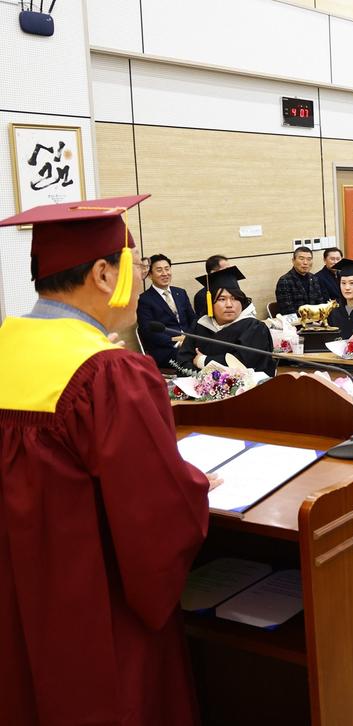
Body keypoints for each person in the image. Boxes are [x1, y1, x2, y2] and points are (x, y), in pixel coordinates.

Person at [0, 194, 211, 725]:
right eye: (135, 266)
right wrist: (195, 483)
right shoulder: (107, 373)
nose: (140, 278)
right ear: (102, 274)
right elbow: (155, 517)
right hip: (89, 608)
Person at [179, 266, 276, 375]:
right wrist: (202, 381)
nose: (229, 305)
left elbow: (242, 363)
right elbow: (182, 362)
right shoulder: (200, 325)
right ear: (210, 303)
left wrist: (203, 361)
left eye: (234, 298)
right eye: (222, 299)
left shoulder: (254, 327)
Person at [137, 254, 198, 368]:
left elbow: (193, 320)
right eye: (159, 270)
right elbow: (148, 331)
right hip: (166, 349)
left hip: (189, 344)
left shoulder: (180, 293)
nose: (165, 273)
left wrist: (189, 339)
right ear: (150, 274)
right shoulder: (144, 299)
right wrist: (174, 340)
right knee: (192, 361)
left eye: (167, 269)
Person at [274, 246, 325, 315]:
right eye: (301, 259)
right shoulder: (285, 281)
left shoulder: (314, 278)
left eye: (309, 259)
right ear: (293, 261)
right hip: (297, 323)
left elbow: (320, 303)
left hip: (316, 320)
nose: (305, 262)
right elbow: (287, 311)